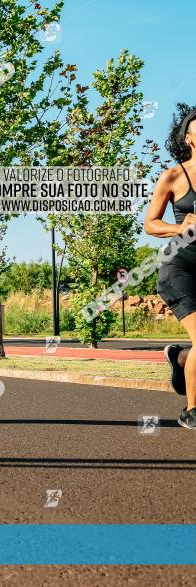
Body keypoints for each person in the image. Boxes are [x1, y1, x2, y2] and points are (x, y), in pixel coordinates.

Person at [145, 103, 196, 429]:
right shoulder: (175, 175)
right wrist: (179, 227)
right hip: (180, 268)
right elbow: (151, 223)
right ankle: (191, 409)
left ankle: (180, 358)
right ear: (190, 138)